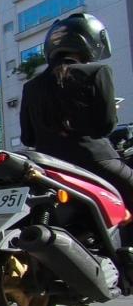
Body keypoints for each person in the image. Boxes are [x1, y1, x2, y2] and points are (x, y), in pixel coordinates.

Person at [20, 13, 133, 211]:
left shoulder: (30, 87)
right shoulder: (98, 72)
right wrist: (111, 109)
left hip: (51, 169)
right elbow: (105, 126)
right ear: (90, 40)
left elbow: (28, 138)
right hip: (94, 161)